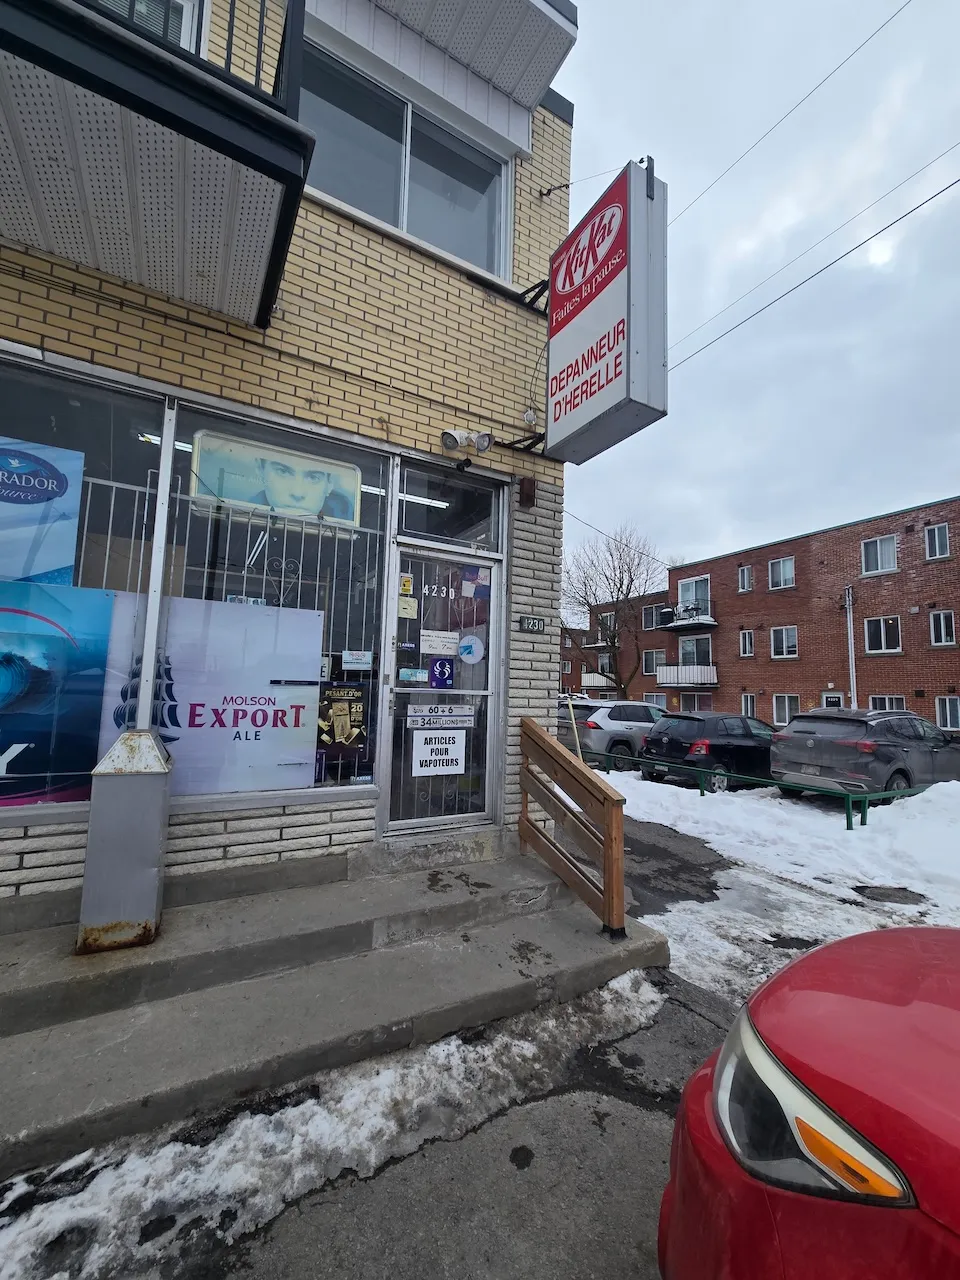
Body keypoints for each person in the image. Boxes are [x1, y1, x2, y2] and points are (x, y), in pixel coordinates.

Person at [249, 456, 354, 521]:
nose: (297, 493)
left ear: (330, 483)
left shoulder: (346, 525)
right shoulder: (240, 517)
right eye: (282, 472)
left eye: (313, 477)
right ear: (260, 469)